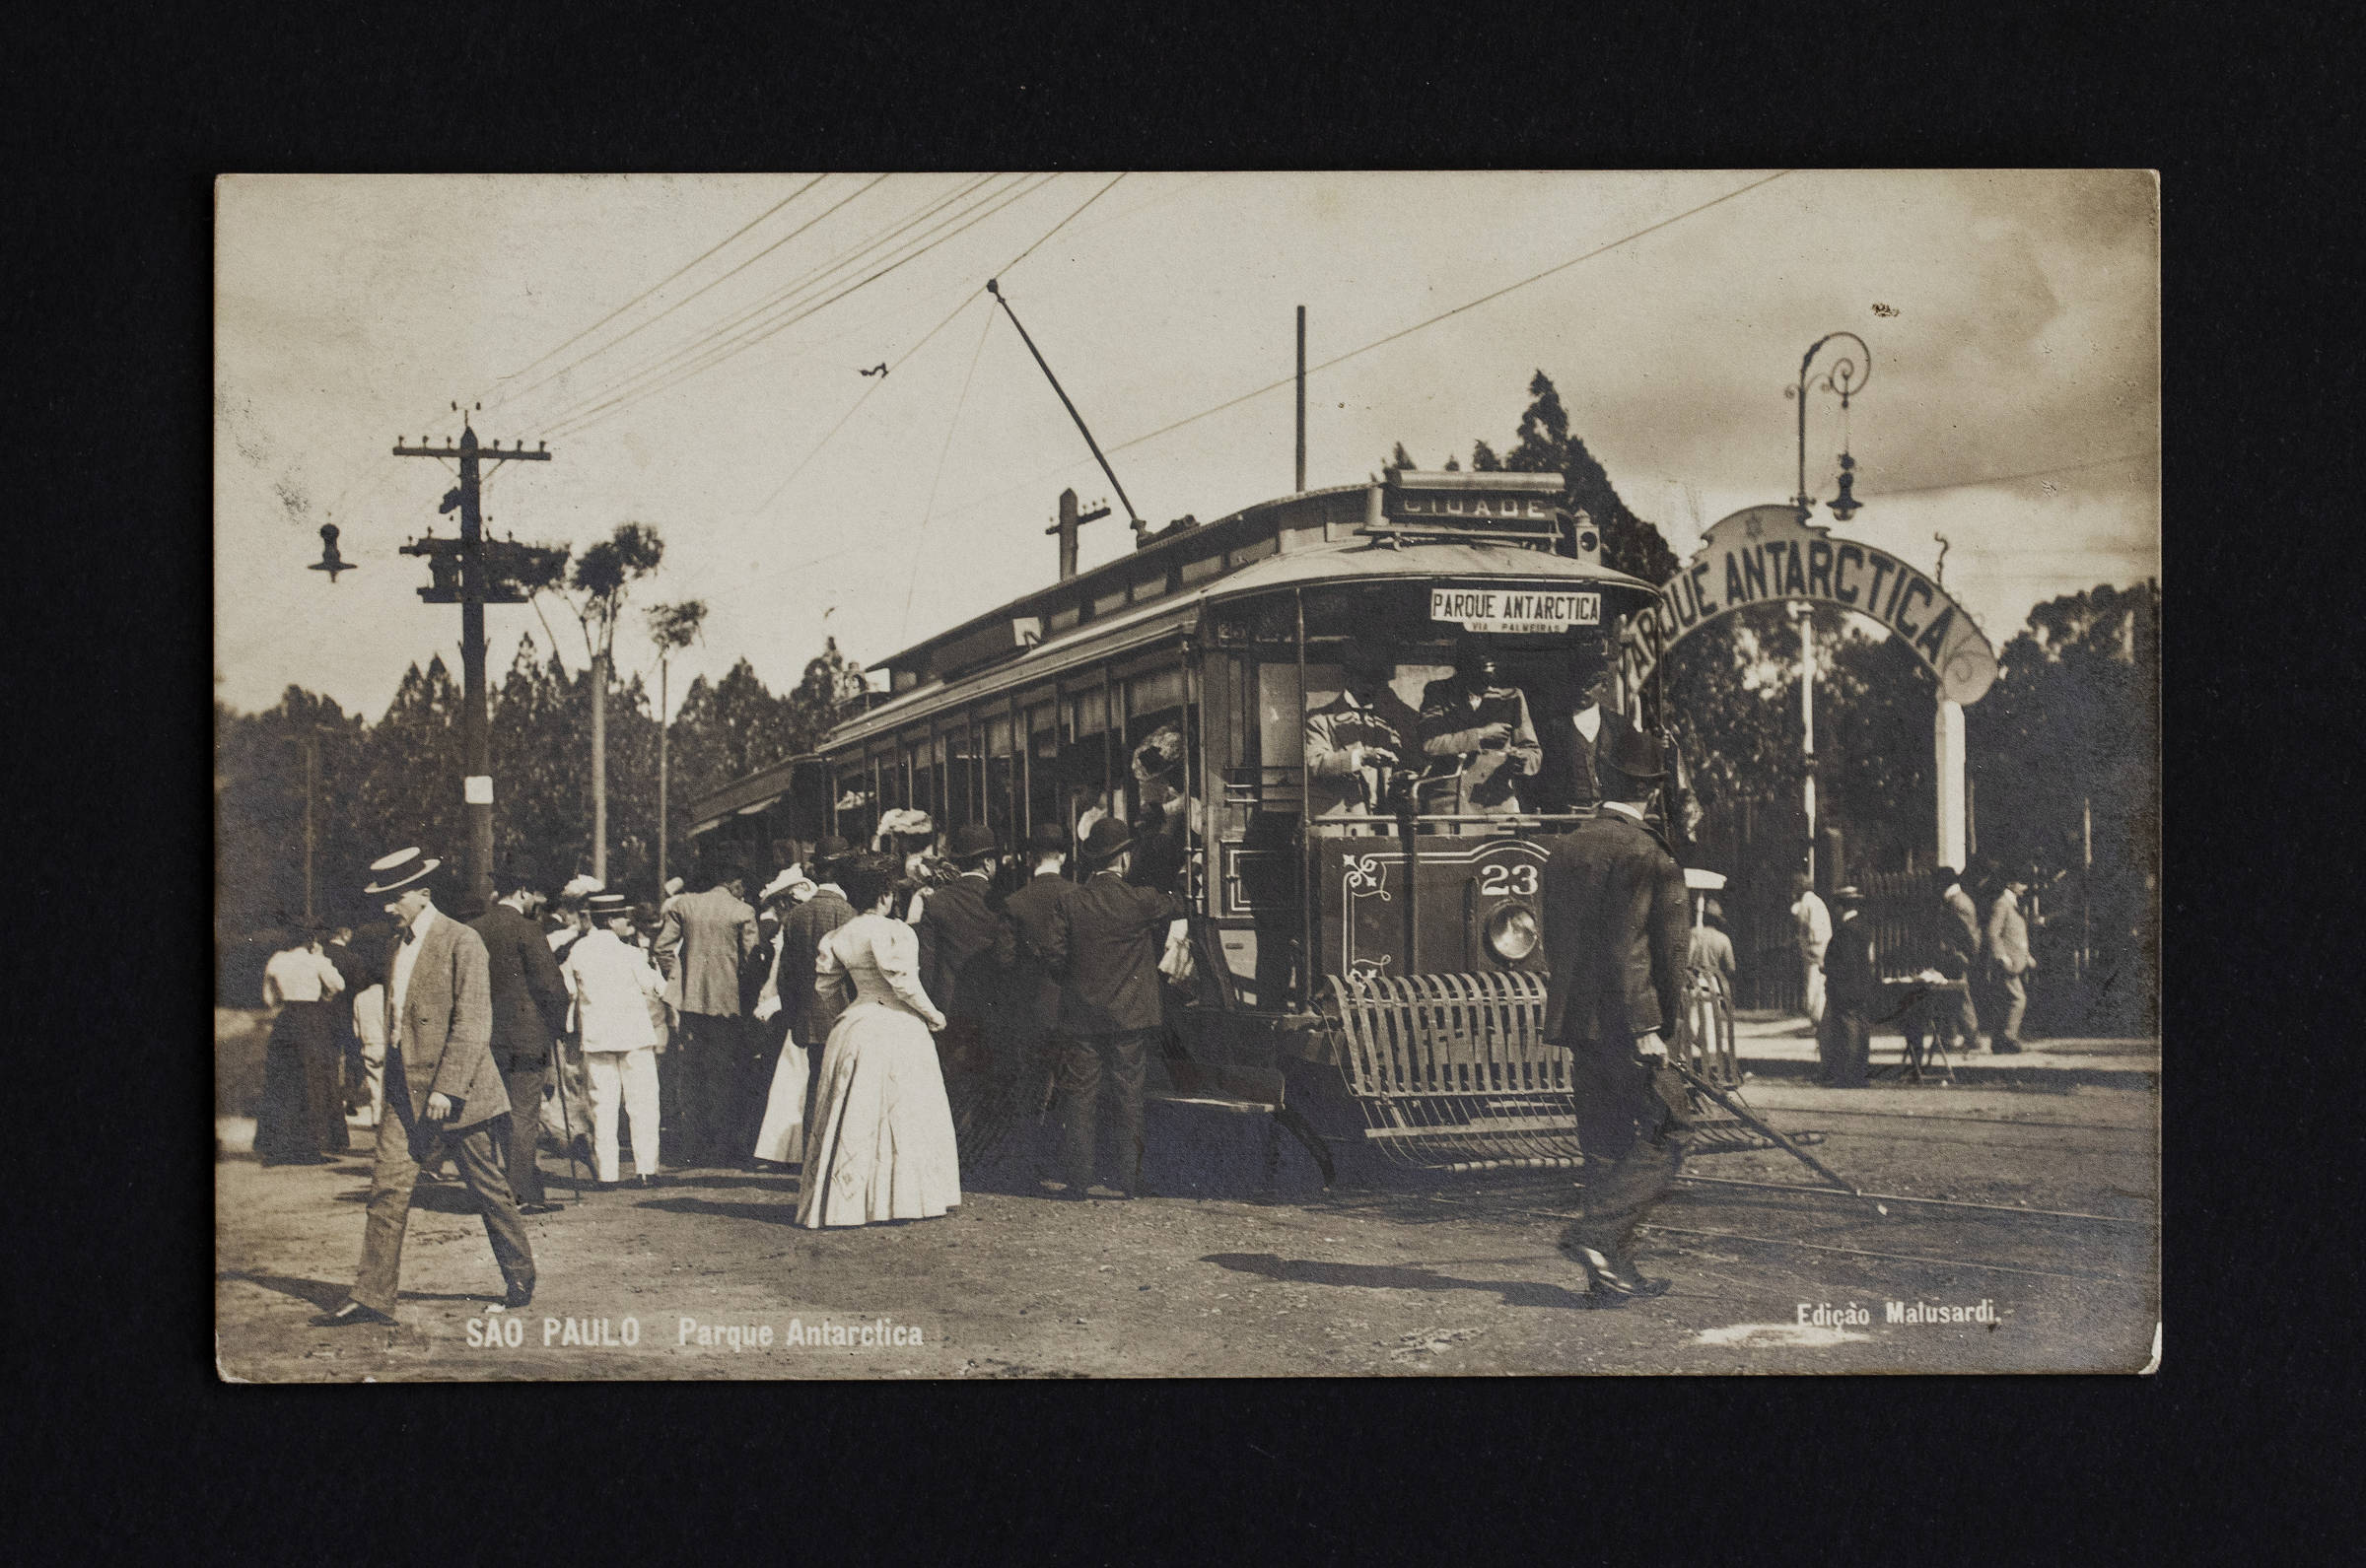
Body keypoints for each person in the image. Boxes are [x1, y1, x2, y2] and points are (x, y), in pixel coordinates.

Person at [313, 849, 533, 1328]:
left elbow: (474, 1023)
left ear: (423, 894)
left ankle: (520, 1275)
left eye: (394, 898)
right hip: (403, 1091)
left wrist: (447, 1088)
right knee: (387, 1190)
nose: (387, 907)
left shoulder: (463, 940)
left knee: (487, 1188)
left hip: (458, 1095)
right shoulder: (397, 944)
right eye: (384, 899)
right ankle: (371, 1295)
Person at [1539, 725, 1693, 1305]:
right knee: (1670, 1131)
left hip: (1582, 1027)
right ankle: (1595, 1235)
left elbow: (1563, 944)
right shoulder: (1647, 854)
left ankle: (1610, 1276)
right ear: (1653, 791)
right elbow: (1648, 955)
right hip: (1632, 1029)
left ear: (1605, 780)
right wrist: (1652, 1027)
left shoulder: (1565, 847)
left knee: (1604, 1146)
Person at [796, 853, 963, 1228]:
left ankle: (851, 1201)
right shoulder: (897, 931)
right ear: (886, 895)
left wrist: (858, 1003)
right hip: (898, 1027)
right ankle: (902, 1198)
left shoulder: (838, 937)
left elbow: (824, 988)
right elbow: (905, 984)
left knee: (857, 1112)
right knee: (903, 1111)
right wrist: (934, 1015)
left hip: (856, 1024)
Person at [1045, 818, 1190, 1199]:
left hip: (1081, 1017)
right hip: (1129, 1016)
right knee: (1129, 1096)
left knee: (1080, 1096)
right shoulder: (1140, 900)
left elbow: (1053, 956)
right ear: (1124, 859)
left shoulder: (1070, 901)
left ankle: (1078, 1181)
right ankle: (1130, 1180)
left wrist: (1077, 982)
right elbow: (1177, 903)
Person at [466, 859, 573, 1215]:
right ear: (523, 892)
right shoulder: (528, 931)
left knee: (501, 1114)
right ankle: (519, 1195)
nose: (537, 903)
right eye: (535, 896)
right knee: (524, 1114)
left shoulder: (474, 929)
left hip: (487, 1036)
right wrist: (558, 1027)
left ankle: (520, 1186)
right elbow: (551, 987)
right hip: (528, 1038)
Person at [654, 861, 759, 1169]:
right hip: (729, 1005)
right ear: (735, 884)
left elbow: (662, 948)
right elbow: (751, 958)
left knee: (692, 1071)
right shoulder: (742, 911)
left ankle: (693, 1144)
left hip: (691, 1004)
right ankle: (724, 1145)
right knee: (725, 1072)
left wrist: (682, 979)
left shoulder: (685, 905)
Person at [562, 893, 667, 1189]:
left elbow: (568, 989)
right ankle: (646, 1170)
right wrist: (656, 969)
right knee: (642, 1104)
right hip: (634, 1037)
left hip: (597, 1039)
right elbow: (656, 988)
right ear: (610, 920)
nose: (626, 922)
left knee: (602, 1106)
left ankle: (607, 1174)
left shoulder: (578, 952)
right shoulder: (631, 954)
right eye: (622, 917)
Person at [775, 836, 858, 1156]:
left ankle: (812, 1158)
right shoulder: (850, 914)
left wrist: (795, 1015)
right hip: (846, 1015)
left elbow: (787, 976)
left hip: (810, 1017)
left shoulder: (796, 916)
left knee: (816, 1089)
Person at [915, 823, 1016, 1082]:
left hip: (950, 1012)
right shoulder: (1001, 901)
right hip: (994, 1010)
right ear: (987, 863)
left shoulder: (937, 901)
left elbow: (926, 966)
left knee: (957, 1088)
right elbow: (1007, 958)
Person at [1004, 821, 1079, 1150]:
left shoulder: (1015, 902)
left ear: (1031, 859)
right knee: (1073, 1085)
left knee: (1031, 1084)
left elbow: (1005, 960)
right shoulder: (1080, 896)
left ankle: (1029, 1153)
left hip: (1031, 1007)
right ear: (1063, 855)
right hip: (1073, 1006)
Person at [1417, 638, 1542, 818]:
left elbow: (1533, 751)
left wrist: (1522, 760)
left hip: (1496, 803)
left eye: (1491, 677)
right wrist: (1481, 735)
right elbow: (1430, 744)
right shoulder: (1439, 692)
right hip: (1449, 803)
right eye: (1481, 678)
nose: (1489, 686)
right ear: (1462, 670)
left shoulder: (1512, 696)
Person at [255, 924, 349, 1165]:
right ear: (312, 940)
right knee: (315, 1080)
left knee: (283, 1080)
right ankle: (310, 1146)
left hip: (287, 1019)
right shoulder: (316, 961)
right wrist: (323, 987)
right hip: (312, 1020)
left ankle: (278, 1145)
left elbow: (268, 998)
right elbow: (339, 985)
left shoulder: (277, 959)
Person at [1305, 638, 1421, 822]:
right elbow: (1315, 763)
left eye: (1380, 681)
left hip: (1384, 822)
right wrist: (1362, 757)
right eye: (1370, 679)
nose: (1376, 687)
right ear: (1351, 678)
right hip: (1342, 823)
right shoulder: (1319, 719)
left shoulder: (1388, 718)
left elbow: (1417, 739)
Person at [1530, 639, 1648, 814]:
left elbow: (1636, 776)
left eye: (1589, 684)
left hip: (1611, 820)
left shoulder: (1620, 727)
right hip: (1566, 821)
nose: (1583, 690)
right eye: (1578, 684)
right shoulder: (1554, 728)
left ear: (1604, 686)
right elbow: (1541, 781)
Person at [749, 867, 813, 1166]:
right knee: (790, 1075)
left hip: (792, 1005)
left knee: (793, 1075)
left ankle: (786, 1149)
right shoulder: (784, 931)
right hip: (786, 1004)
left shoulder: (792, 930)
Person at [1818, 885, 1878, 1087]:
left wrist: (1828, 970)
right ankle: (1860, 1073)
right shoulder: (1864, 926)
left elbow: (1845, 963)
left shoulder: (1845, 931)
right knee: (1861, 1028)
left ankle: (1849, 1075)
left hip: (1846, 989)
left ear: (1841, 907)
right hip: (1862, 987)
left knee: (1848, 1029)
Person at [1983, 869, 2039, 1054]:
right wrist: (2002, 956)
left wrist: (2026, 956)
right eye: (2021, 882)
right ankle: (2009, 1037)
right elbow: (1993, 933)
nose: (2025, 887)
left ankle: (1999, 1041)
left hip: (2015, 962)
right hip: (2006, 964)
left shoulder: (2012, 904)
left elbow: (2015, 934)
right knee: (2018, 999)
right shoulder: (2002, 904)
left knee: (2005, 1001)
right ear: (2010, 884)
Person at [346, 923, 390, 1128]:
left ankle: (375, 1117)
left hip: (369, 1045)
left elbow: (356, 1027)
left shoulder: (360, 997)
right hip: (387, 1044)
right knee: (388, 1084)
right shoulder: (389, 997)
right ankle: (386, 1119)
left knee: (374, 1083)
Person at [1790, 872, 1832, 1035]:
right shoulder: (1814, 901)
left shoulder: (1808, 903)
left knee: (1814, 986)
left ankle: (1818, 1022)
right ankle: (1817, 1022)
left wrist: (1810, 945)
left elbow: (1813, 928)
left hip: (1815, 951)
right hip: (1819, 950)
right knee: (1817, 986)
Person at [1690, 898, 1737, 999]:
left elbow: (1687, 961)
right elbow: (1731, 968)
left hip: (1694, 984)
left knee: (1694, 1013)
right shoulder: (1724, 939)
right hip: (1714, 986)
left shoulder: (1693, 934)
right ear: (1718, 921)